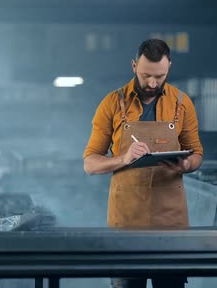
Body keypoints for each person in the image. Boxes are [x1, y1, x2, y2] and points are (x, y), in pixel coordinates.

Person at [82, 39, 203, 288]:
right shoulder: (111, 104)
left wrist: (186, 165)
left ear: (169, 66)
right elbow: (90, 163)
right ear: (134, 65)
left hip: (171, 222)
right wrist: (123, 159)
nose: (152, 83)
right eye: (145, 75)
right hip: (126, 222)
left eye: (160, 76)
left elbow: (197, 154)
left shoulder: (183, 103)